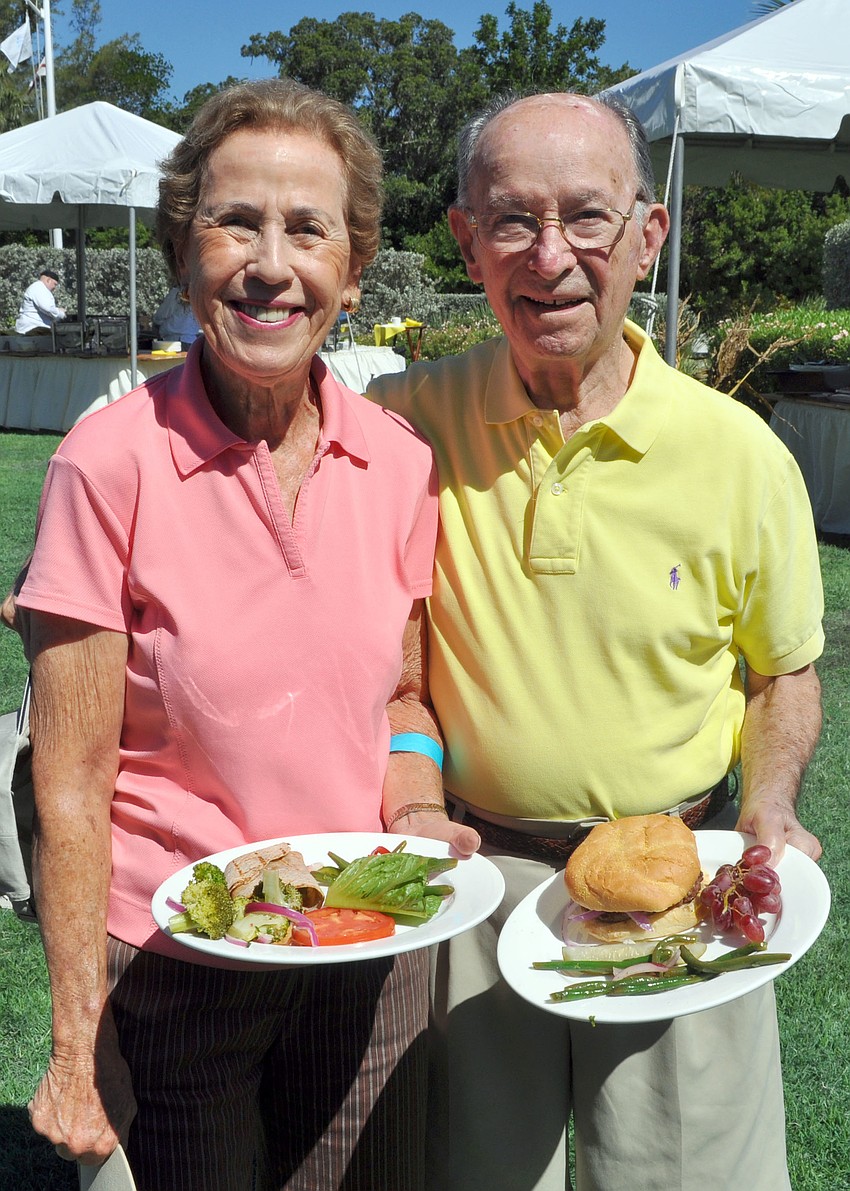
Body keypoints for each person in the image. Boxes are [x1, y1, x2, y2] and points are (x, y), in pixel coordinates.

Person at [13, 79, 475, 1191]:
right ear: (184, 255)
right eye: (235, 222)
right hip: (176, 957)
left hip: (365, 944)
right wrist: (77, 1045)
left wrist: (415, 812)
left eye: (308, 228)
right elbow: (68, 779)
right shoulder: (107, 461)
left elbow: (401, 696)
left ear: (353, 272)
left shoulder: (399, 462)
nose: (272, 264)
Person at [369, 91, 824, 1191]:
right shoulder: (399, 425)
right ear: (466, 240)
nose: (552, 256)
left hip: (678, 892)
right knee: (470, 1175)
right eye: (513, 219)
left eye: (586, 217)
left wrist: (767, 805)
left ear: (646, 236)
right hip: (478, 887)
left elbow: (783, 672)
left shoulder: (737, 454)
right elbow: (381, 651)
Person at [15, 268, 66, 334]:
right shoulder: (39, 288)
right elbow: (48, 308)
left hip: (35, 330)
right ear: (48, 280)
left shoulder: (39, 288)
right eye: (55, 284)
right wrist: (61, 313)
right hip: (32, 330)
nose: (54, 287)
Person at [152, 283, 202, 349]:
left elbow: (160, 316)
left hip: (173, 342)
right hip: (192, 342)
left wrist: (156, 325)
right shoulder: (199, 295)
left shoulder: (176, 293)